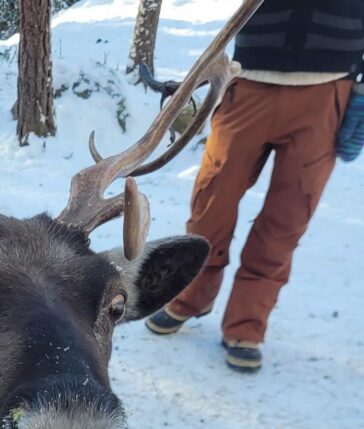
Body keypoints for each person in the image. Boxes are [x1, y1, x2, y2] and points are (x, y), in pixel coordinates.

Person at [146, 0, 364, 372]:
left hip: (327, 92)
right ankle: (190, 296)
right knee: (210, 204)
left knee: (288, 219)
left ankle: (247, 325)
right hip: (248, 84)